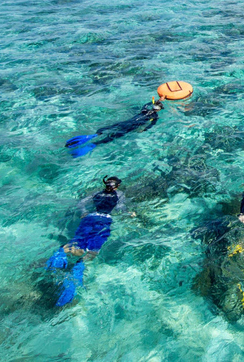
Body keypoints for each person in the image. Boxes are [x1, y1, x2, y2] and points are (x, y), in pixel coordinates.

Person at [45, 175, 133, 306]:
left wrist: (84, 212)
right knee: (93, 251)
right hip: (104, 220)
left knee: (78, 240)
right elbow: (120, 207)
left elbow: (80, 203)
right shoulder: (119, 194)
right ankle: (78, 266)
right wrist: (129, 213)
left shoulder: (97, 193)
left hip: (90, 217)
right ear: (118, 185)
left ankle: (60, 254)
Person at [65, 97, 165, 157]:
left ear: (153, 106)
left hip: (125, 122)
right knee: (114, 136)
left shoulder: (144, 110)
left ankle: (95, 135)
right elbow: (151, 125)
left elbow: (146, 104)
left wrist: (156, 100)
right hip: (131, 127)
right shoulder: (154, 116)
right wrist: (144, 129)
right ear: (159, 110)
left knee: (110, 127)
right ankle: (96, 143)